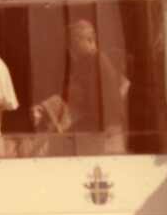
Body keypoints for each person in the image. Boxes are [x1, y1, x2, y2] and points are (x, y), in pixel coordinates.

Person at [31, 19, 129, 153]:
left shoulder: (94, 63)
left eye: (74, 42)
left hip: (104, 136)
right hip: (105, 133)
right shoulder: (92, 61)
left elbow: (78, 97)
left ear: (87, 40)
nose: (72, 47)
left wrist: (47, 108)